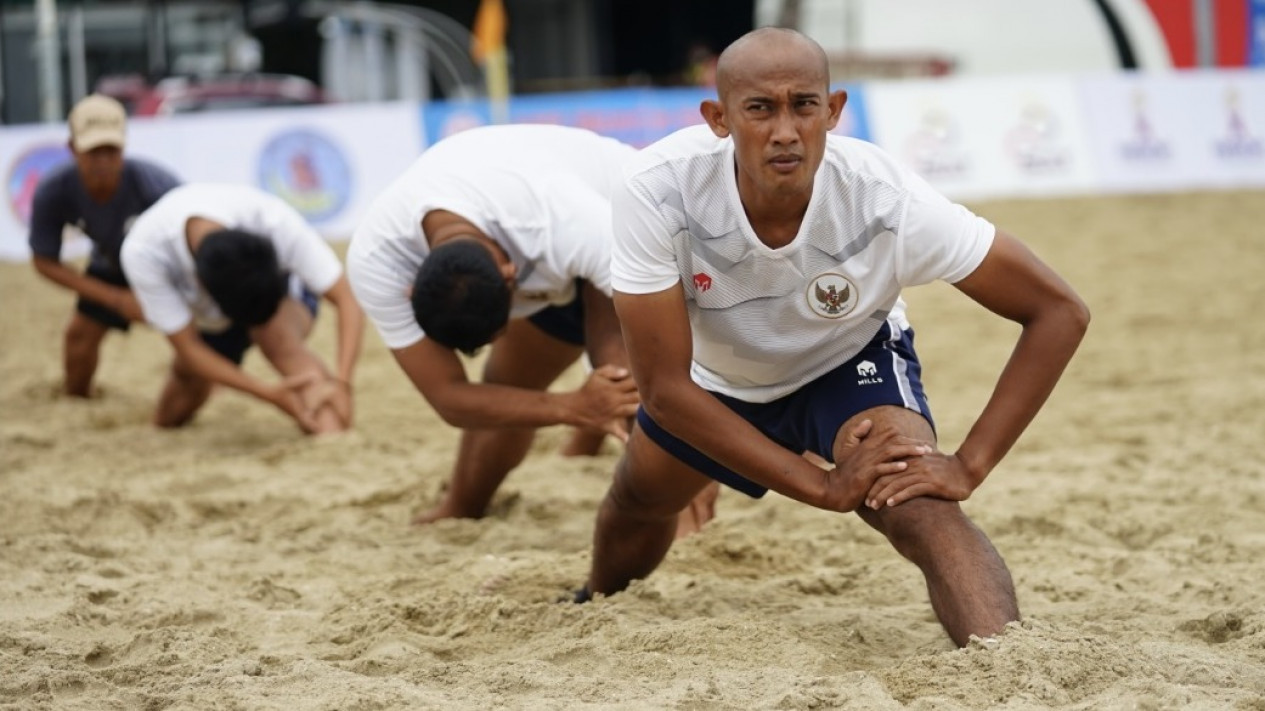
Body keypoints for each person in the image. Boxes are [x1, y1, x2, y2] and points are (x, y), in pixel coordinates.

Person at [578, 27, 1090, 647]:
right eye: (760, 108)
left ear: (835, 110)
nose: (785, 130)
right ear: (719, 118)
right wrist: (818, 485)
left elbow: (1059, 310)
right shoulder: (658, 187)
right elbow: (661, 390)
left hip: (848, 362)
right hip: (711, 383)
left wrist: (970, 463)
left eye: (804, 105)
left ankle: (1014, 668)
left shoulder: (884, 197)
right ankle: (589, 607)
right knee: (637, 498)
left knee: (916, 503)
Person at [347, 124, 717, 532]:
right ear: (412, 287)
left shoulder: (561, 220)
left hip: (624, 213)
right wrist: (572, 407)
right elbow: (450, 398)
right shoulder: (376, 260)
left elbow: (677, 335)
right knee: (507, 385)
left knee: (620, 373)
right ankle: (462, 505)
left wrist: (700, 451)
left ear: (511, 277)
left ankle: (679, 511)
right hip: (545, 237)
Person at [120, 183, 365, 434]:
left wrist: (343, 382)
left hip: (277, 299)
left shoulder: (272, 220)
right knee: (169, 415)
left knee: (279, 340)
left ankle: (330, 427)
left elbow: (347, 299)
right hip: (212, 315)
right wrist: (268, 394)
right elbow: (189, 348)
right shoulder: (143, 252)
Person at [28, 93, 181, 397]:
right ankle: (77, 399)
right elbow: (43, 260)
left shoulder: (157, 185)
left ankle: (206, 390)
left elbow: (193, 242)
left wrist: (159, 294)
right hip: (112, 262)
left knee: (198, 338)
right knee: (79, 337)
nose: (103, 161)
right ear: (73, 149)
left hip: (168, 265)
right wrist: (116, 299)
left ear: (123, 147)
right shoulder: (54, 190)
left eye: (111, 150)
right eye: (93, 151)